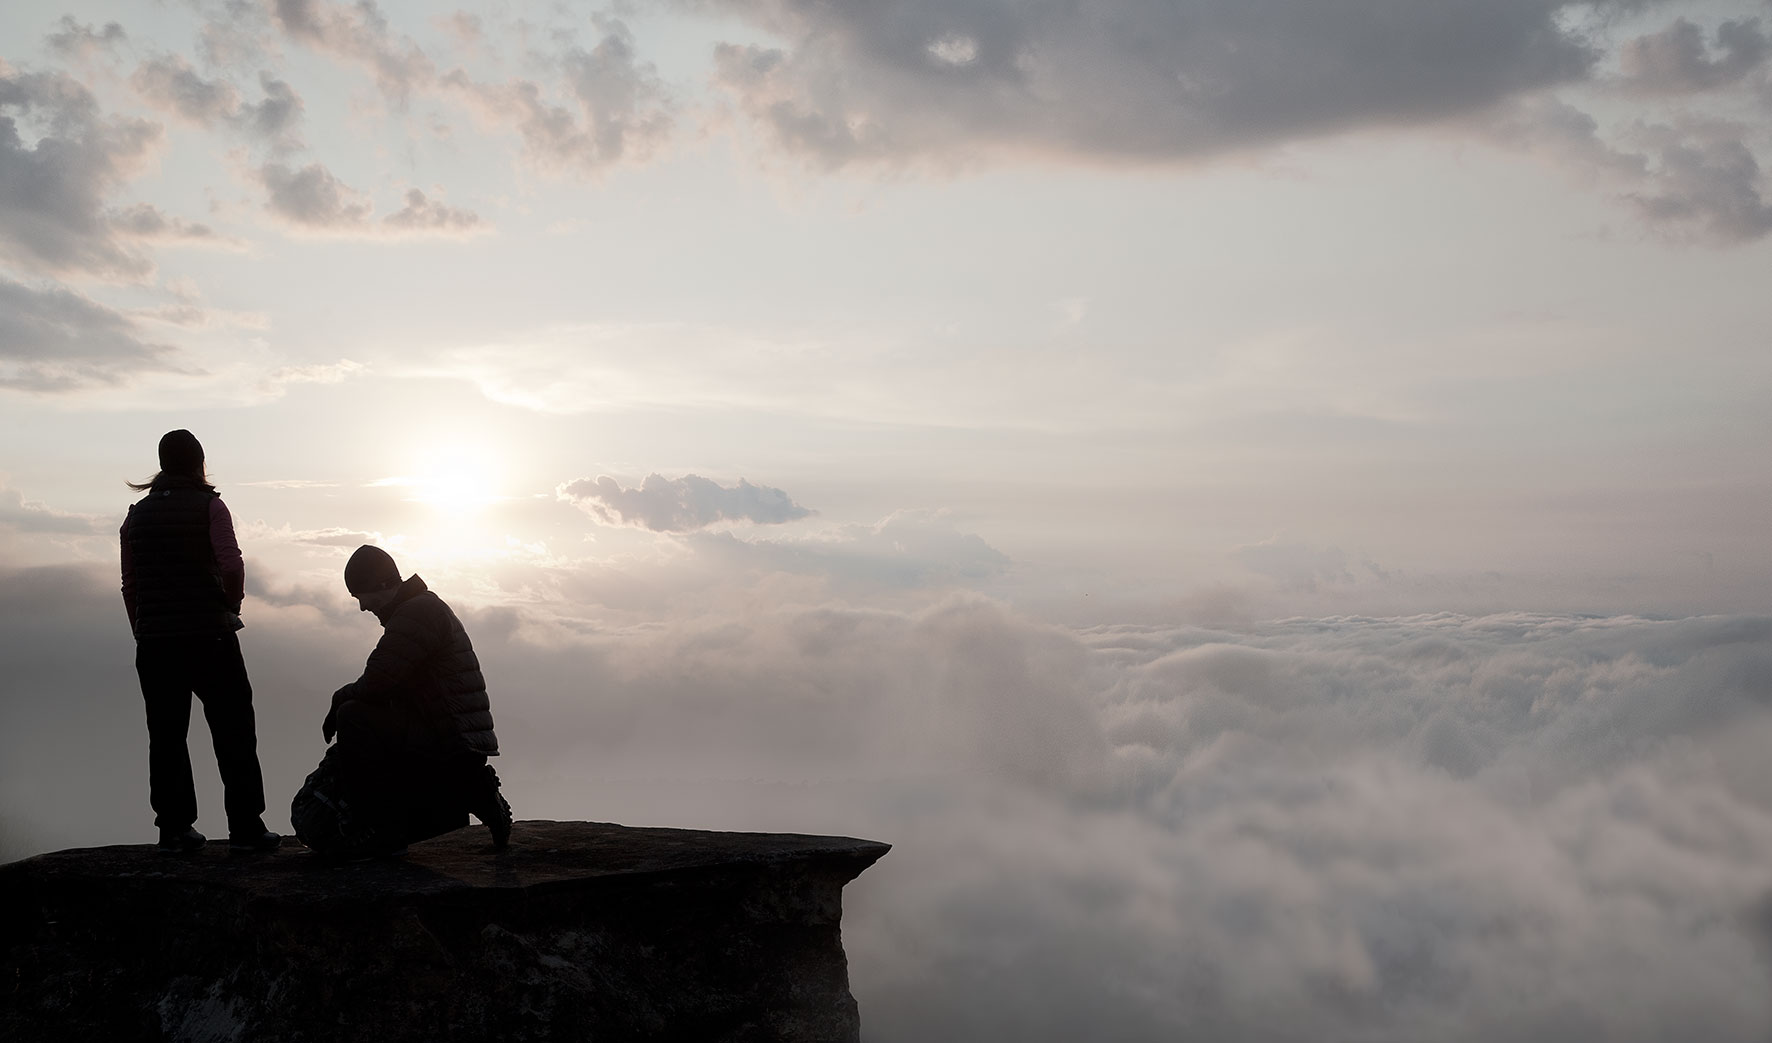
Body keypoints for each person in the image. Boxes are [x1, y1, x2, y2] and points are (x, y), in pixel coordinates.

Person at [121, 429, 279, 853]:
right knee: (234, 730)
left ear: (161, 465)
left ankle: (174, 829)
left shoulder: (135, 515)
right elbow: (231, 564)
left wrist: (142, 627)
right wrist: (232, 605)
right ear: (199, 463)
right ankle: (246, 826)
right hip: (211, 636)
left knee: (167, 735)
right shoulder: (211, 507)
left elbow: (129, 584)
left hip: (155, 643)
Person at [316, 544, 511, 853]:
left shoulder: (416, 613)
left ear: (380, 586)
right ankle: (472, 790)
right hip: (452, 737)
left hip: (452, 741)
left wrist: (338, 699)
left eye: (361, 596)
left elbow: (378, 680)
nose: (363, 607)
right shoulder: (417, 609)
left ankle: (381, 831)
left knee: (353, 716)